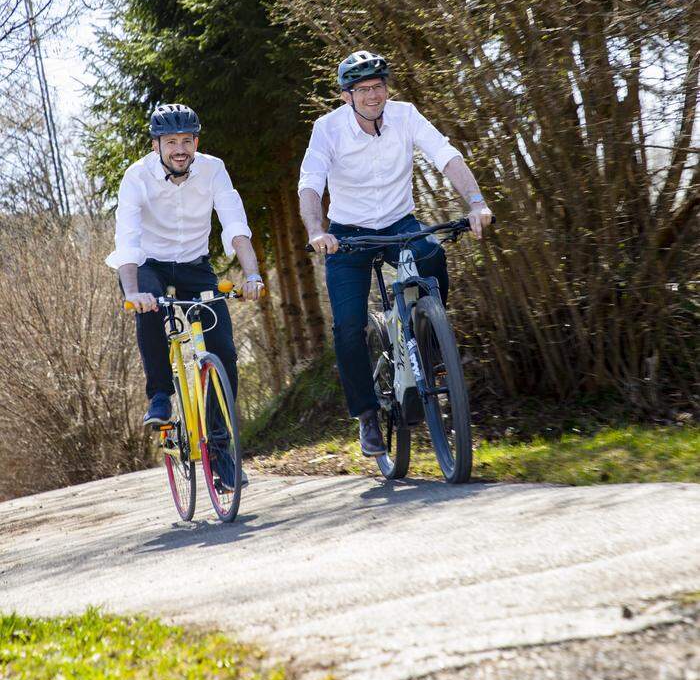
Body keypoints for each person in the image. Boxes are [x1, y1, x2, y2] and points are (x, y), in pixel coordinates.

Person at [298, 50, 493, 457]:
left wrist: (476, 203)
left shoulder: (405, 115)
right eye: (363, 89)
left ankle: (430, 340)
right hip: (347, 235)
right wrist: (317, 231)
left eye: (379, 86)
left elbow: (447, 156)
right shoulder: (327, 129)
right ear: (346, 96)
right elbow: (311, 183)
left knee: (433, 255)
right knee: (348, 328)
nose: (373, 96)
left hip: (399, 222)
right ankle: (367, 416)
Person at [106, 104, 263, 484]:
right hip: (149, 263)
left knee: (223, 351)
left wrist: (253, 273)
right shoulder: (136, 176)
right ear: (156, 144)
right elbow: (126, 239)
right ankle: (160, 395)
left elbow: (234, 222)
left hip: (195, 264)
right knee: (149, 306)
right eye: (171, 141)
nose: (180, 148)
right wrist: (132, 293)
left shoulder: (213, 169)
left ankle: (220, 449)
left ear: (197, 142)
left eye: (187, 140)